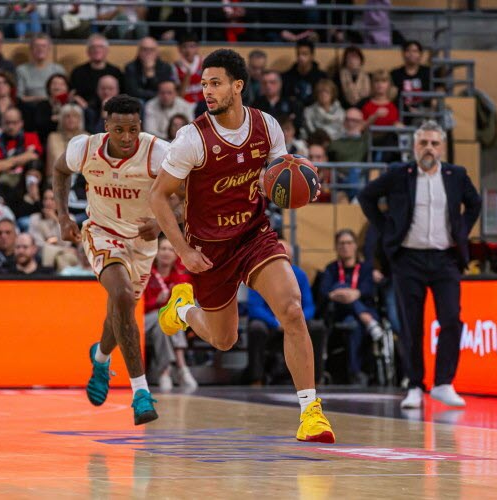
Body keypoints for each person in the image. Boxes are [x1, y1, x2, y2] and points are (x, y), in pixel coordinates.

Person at [149, 49, 335, 443]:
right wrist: (182, 250)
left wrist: (299, 182)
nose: (207, 91)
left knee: (292, 309)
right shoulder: (191, 139)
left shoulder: (267, 126)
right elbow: (157, 196)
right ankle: (183, 308)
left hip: (254, 236)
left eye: (215, 83)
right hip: (209, 249)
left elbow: (281, 174)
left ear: (238, 86)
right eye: (203, 84)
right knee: (223, 339)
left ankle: (311, 413)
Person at [51, 94, 172, 426]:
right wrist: (63, 217)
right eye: (119, 130)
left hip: (143, 241)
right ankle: (140, 392)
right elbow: (60, 171)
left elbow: (188, 195)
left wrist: (161, 222)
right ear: (107, 127)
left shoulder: (157, 153)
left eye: (133, 129)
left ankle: (101, 358)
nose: (127, 138)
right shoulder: (84, 148)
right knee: (120, 296)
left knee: (121, 313)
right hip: (101, 231)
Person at [358, 120, 481, 409]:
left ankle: (443, 383)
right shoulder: (399, 174)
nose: (429, 148)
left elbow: (474, 204)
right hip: (408, 258)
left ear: (443, 147)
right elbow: (367, 197)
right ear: (414, 146)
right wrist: (388, 229)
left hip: (445, 258)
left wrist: (461, 231)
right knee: (411, 325)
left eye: (434, 143)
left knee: (451, 319)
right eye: (423, 143)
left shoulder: (456, 175)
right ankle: (415, 385)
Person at [245, 238, 327, 386]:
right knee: (256, 328)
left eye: (285, 258)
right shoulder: (259, 273)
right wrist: (276, 322)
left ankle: (315, 378)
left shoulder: (300, 275)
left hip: (294, 320)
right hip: (271, 324)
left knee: (317, 327)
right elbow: (254, 307)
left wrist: (296, 320)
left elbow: (309, 306)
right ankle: (256, 378)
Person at [319, 229, 385, 386]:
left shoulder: (366, 269)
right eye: (341, 243)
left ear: (355, 246)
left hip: (360, 313)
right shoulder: (331, 268)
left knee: (353, 324)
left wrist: (351, 294)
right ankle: (368, 321)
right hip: (339, 312)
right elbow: (324, 291)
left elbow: (368, 290)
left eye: (349, 243)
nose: (345, 247)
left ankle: (355, 372)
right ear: (336, 247)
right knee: (340, 285)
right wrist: (349, 294)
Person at [143, 237, 198, 391]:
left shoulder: (182, 278)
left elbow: (186, 305)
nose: (166, 253)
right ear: (156, 252)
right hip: (143, 322)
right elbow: (138, 308)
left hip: (164, 325)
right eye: (163, 249)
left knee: (165, 323)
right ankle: (182, 367)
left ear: (176, 255)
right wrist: (156, 302)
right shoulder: (145, 275)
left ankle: (165, 373)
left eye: (170, 249)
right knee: (164, 317)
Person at [0, 107, 44, 225]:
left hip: (25, 183)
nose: (11, 126)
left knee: (34, 167)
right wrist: (24, 156)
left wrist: (8, 163)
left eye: (14, 123)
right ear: (2, 124)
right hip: (5, 185)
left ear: (21, 123)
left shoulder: (31, 136)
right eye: (7, 123)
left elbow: (34, 157)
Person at [27, 188, 79, 270]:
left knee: (61, 258)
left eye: (52, 199)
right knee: (58, 256)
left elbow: (66, 242)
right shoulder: (35, 218)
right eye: (45, 199)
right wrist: (63, 250)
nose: (48, 202)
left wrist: (56, 219)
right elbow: (38, 244)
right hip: (43, 254)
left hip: (62, 254)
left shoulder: (69, 218)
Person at [69, 34, 124, 110]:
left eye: (100, 47)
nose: (96, 50)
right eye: (93, 47)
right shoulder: (77, 72)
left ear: (107, 50)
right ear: (88, 51)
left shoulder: (116, 72)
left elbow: (122, 95)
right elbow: (73, 94)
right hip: (83, 110)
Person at [15, 33, 66, 104]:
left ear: (49, 49)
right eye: (36, 46)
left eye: (44, 46)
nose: (40, 49)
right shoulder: (21, 70)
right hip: (30, 108)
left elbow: (64, 94)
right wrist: (40, 99)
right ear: (31, 49)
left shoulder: (58, 69)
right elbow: (19, 97)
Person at [124, 37, 177, 103]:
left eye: (152, 50)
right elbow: (132, 92)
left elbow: (164, 90)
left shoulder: (165, 67)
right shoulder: (130, 67)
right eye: (144, 49)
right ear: (139, 52)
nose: (148, 52)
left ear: (157, 52)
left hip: (160, 101)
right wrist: (155, 94)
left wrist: (150, 75)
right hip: (139, 101)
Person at [390, 41, 432, 123]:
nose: (411, 54)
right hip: (402, 109)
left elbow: (439, 88)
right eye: (408, 51)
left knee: (445, 112)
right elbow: (393, 96)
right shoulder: (395, 73)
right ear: (403, 54)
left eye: (415, 51)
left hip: (425, 110)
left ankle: (446, 135)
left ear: (421, 54)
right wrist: (407, 108)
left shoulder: (428, 72)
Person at [282, 40, 328, 108]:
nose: (301, 57)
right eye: (298, 54)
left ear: (312, 56)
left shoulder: (322, 77)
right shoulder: (287, 76)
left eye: (304, 54)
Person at [173, 32, 204, 103]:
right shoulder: (174, 67)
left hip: (202, 103)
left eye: (192, 46)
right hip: (184, 103)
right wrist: (188, 73)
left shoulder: (204, 63)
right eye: (184, 46)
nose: (188, 50)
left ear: (197, 48)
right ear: (179, 48)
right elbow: (180, 95)